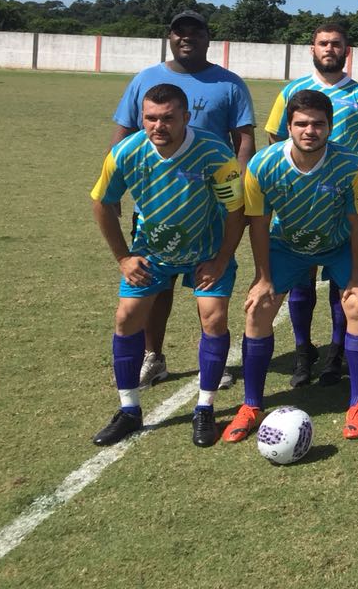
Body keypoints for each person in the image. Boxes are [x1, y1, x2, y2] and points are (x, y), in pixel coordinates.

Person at [91, 83, 246, 447]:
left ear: (185, 118)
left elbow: (235, 210)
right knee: (127, 317)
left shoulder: (214, 152)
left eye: (168, 118)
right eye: (150, 118)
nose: (158, 126)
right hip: (152, 254)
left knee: (214, 316)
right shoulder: (126, 152)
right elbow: (102, 203)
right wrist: (123, 257)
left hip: (204, 254)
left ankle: (205, 408)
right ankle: (129, 409)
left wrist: (221, 259)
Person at [111, 10, 254, 391]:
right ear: (169, 37)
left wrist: (237, 189)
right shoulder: (146, 79)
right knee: (156, 284)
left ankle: (212, 360)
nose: (186, 37)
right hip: (156, 205)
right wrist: (120, 187)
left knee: (208, 280)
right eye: (179, 32)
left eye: (195, 31)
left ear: (209, 38)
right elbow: (124, 135)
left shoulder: (229, 83)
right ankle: (152, 356)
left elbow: (243, 139)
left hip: (209, 206)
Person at [225, 90, 358, 443]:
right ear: (288, 127)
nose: (310, 131)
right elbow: (260, 224)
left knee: (357, 304)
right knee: (258, 308)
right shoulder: (264, 165)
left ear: (331, 127)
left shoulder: (351, 164)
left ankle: (357, 402)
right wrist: (263, 278)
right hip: (287, 246)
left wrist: (357, 275)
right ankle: (251, 405)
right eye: (302, 124)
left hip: (338, 244)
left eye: (318, 124)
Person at [263, 23, 358, 389]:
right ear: (312, 48)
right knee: (301, 282)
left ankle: (335, 352)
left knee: (342, 286)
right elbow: (275, 138)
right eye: (323, 43)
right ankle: (302, 350)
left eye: (336, 44)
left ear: (347, 50)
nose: (329, 49)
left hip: (340, 204)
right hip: (299, 206)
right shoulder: (292, 91)